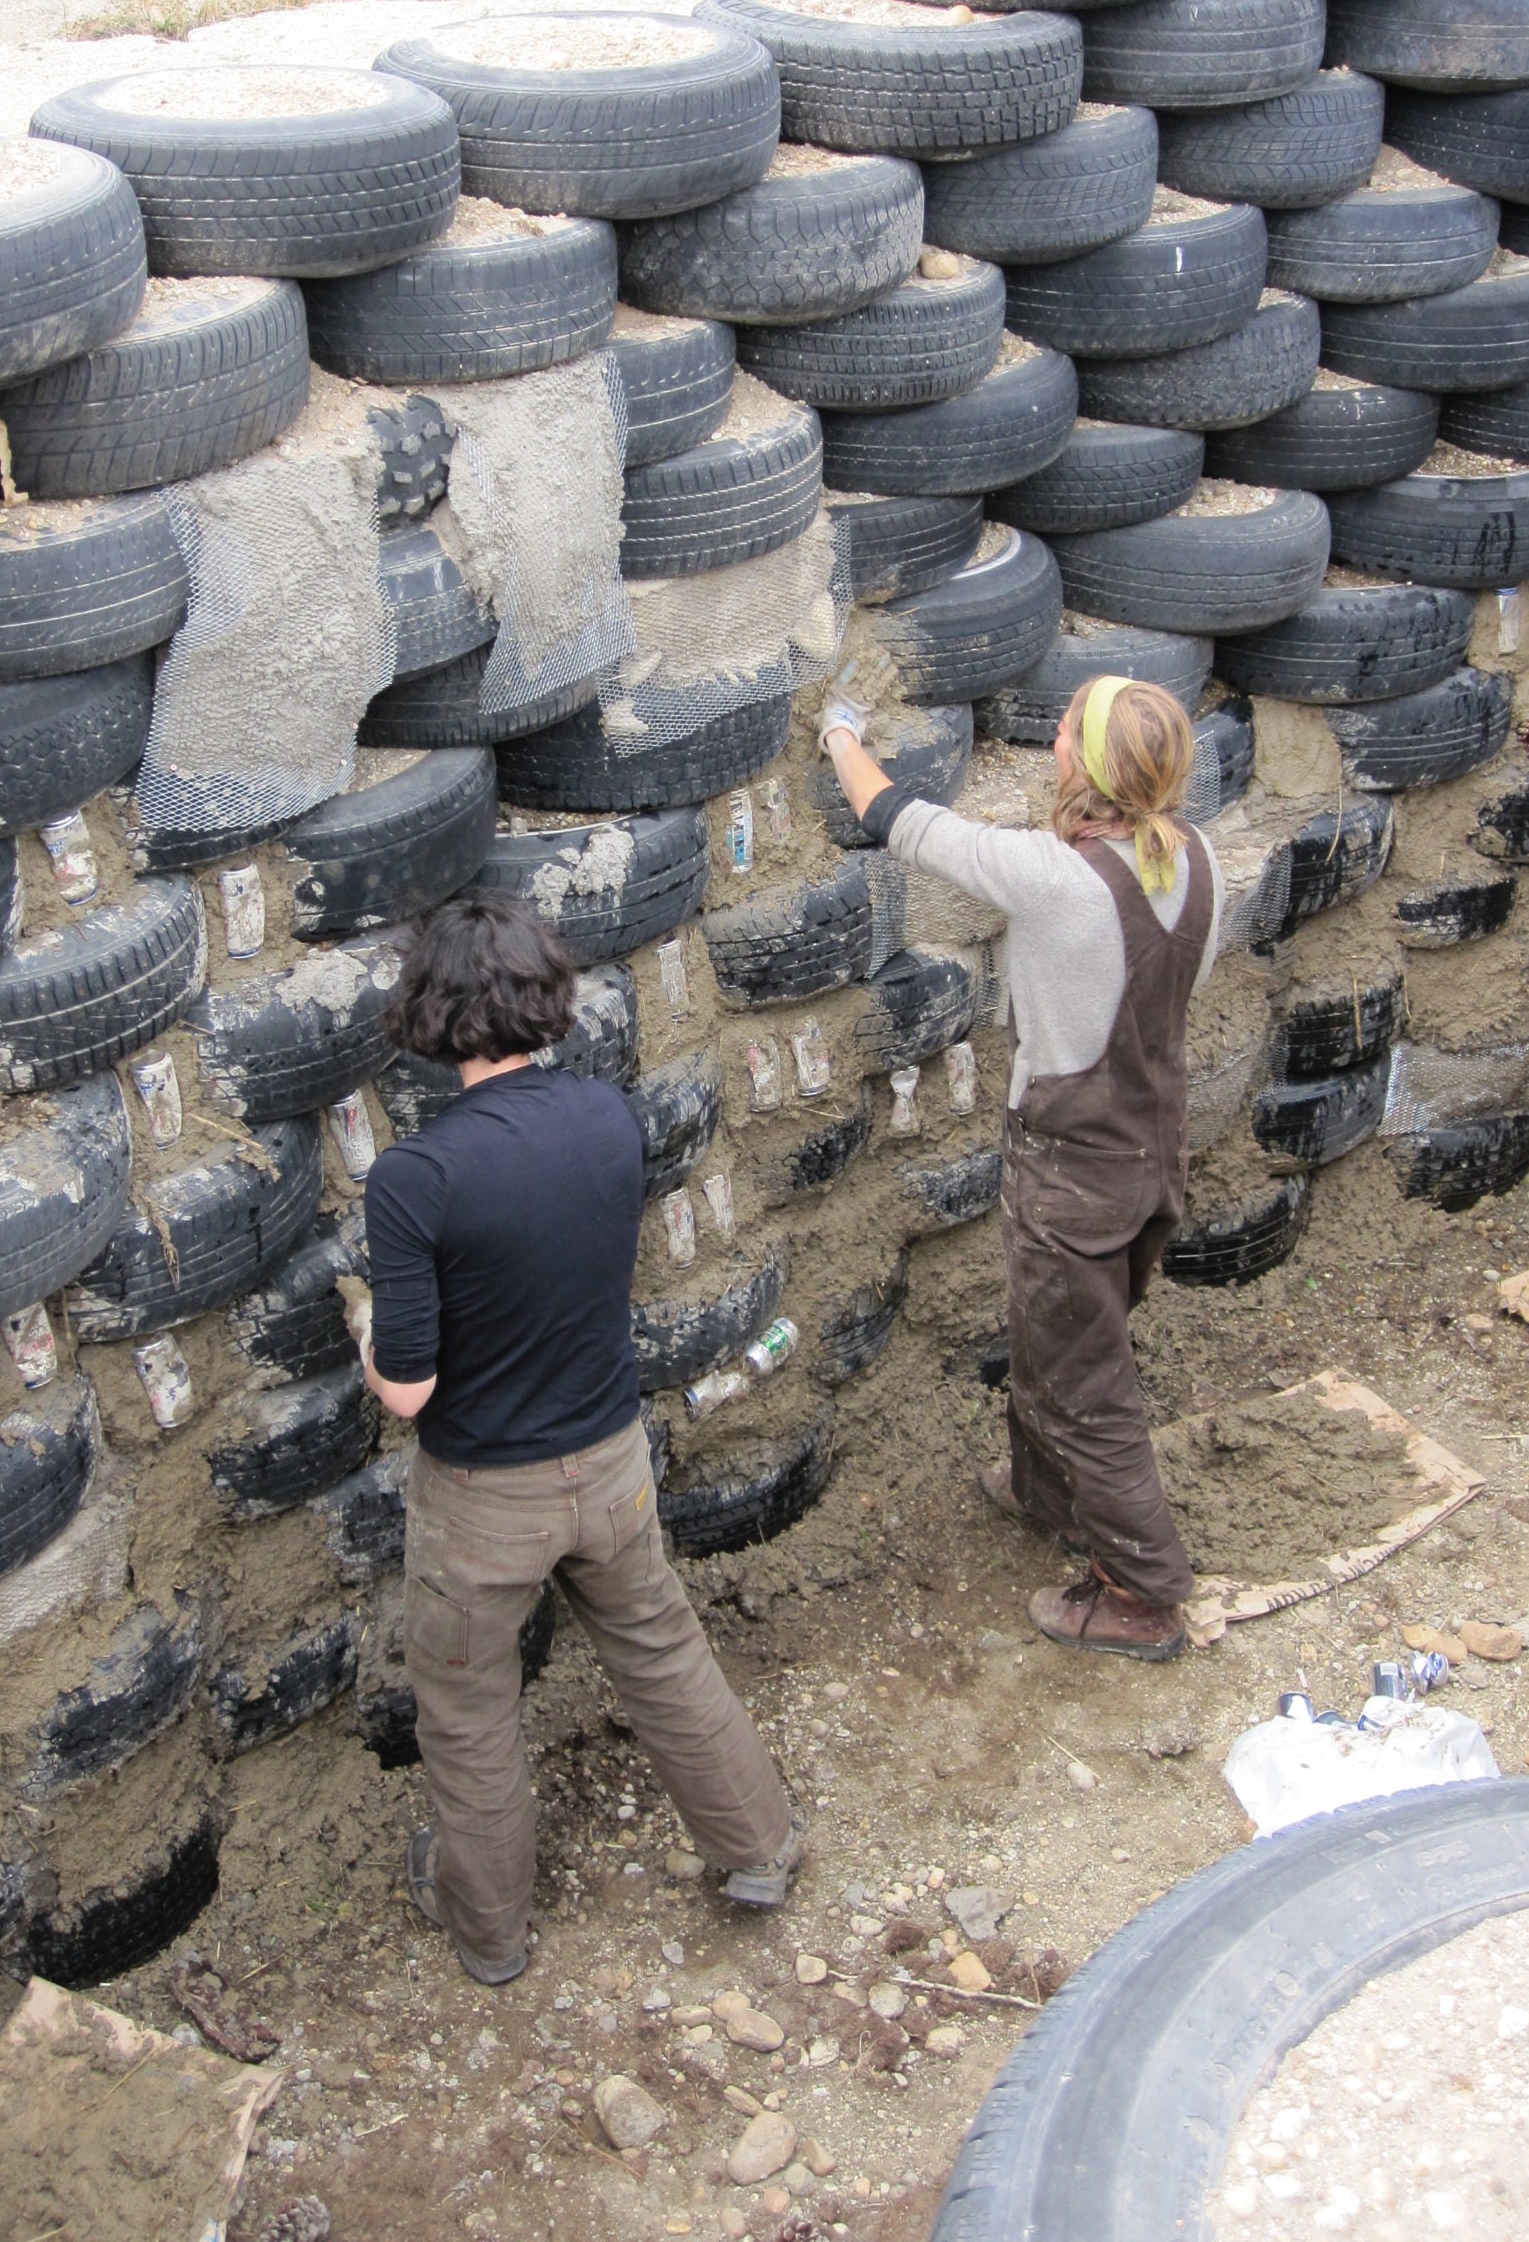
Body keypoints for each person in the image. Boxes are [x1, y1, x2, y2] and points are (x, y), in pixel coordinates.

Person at [344, 887, 801, 1985]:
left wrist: (367, 1323)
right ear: (544, 992)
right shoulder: (608, 1118)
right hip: (609, 1460)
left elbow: (406, 1392)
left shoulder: (416, 1179)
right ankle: (758, 1846)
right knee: (661, 1649)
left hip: (482, 1501)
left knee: (467, 1713)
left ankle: (490, 1932)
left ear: (430, 1012)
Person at [822, 676, 1221, 1663]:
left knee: (1085, 1381)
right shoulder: (1197, 861)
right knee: (1070, 1341)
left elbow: (899, 820)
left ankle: (1141, 1592)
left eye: (1063, 728)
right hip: (1151, 1151)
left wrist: (838, 731)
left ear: (1083, 765)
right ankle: (1046, 1495)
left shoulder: (1052, 877)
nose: (1048, 734)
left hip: (1070, 1170)